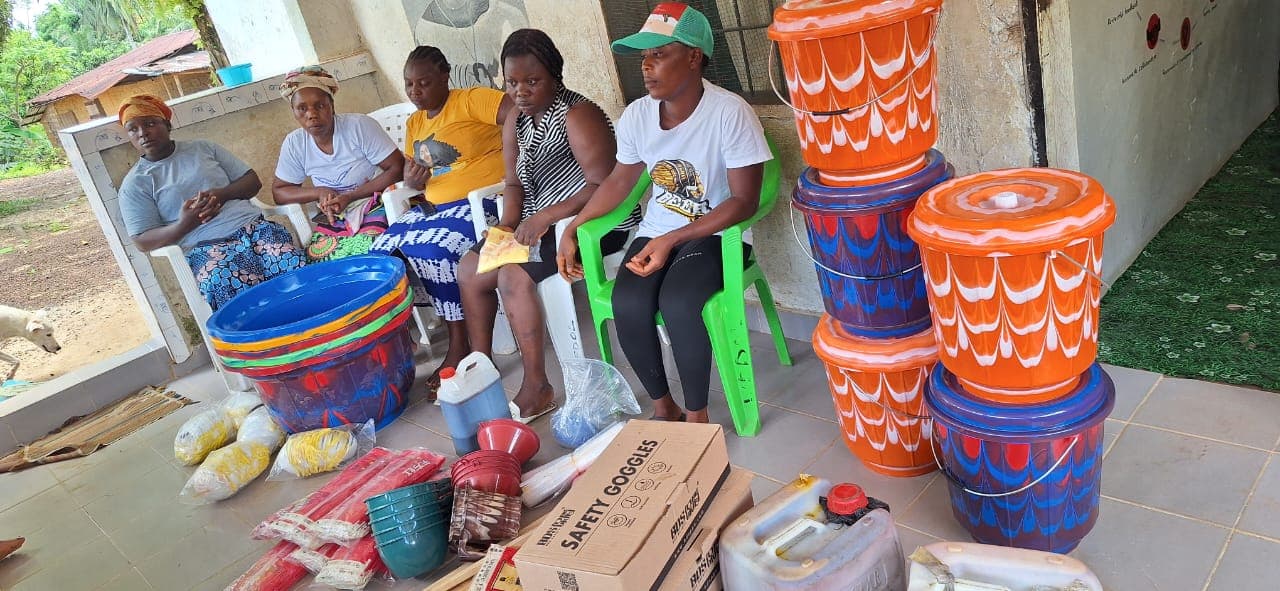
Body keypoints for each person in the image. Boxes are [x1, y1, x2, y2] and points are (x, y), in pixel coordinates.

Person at [558, 3, 771, 424]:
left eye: (659, 54)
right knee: (628, 301)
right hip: (657, 232)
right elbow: (620, 181)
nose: (647, 66)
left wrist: (672, 238)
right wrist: (574, 226)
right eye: (644, 57)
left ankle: (696, 414)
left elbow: (743, 201)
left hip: (717, 235)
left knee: (679, 302)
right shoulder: (638, 115)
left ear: (693, 57)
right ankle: (664, 407)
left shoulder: (729, 112)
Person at [458, 29, 640, 422]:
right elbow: (513, 184)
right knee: (470, 269)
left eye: (532, 81)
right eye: (512, 82)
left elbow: (604, 184)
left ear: (554, 75)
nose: (520, 91)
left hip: (595, 223)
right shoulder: (516, 119)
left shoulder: (578, 115)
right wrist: (507, 225)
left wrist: (546, 217)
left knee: (512, 276)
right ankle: (481, 367)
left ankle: (538, 385)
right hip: (539, 223)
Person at [370, 46, 514, 395]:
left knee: (436, 250)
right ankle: (395, 350)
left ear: (445, 75)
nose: (415, 91)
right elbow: (415, 177)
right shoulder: (415, 122)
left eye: (424, 82)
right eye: (409, 84)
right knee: (380, 254)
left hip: (482, 205)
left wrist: (511, 162)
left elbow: (517, 114)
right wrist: (412, 180)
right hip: (431, 209)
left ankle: (459, 342)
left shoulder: (472, 100)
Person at [117, 95, 305, 311]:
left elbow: (252, 181)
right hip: (204, 248)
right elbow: (142, 240)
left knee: (288, 262)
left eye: (150, 123)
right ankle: (263, 332)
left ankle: (309, 323)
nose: (143, 133)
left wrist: (221, 194)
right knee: (223, 282)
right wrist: (184, 224)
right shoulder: (136, 183)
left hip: (253, 229)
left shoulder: (203, 148)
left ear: (167, 125)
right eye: (133, 129)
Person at [272, 66, 405, 261]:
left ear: (332, 106)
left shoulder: (358, 127)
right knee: (318, 260)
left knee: (370, 251)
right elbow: (280, 191)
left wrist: (350, 196)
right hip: (335, 214)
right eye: (302, 108)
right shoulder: (295, 143)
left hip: (378, 202)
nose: (311, 114)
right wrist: (319, 192)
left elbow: (397, 168)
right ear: (293, 112)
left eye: (320, 106)